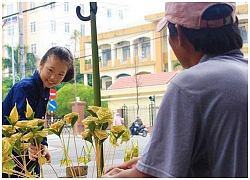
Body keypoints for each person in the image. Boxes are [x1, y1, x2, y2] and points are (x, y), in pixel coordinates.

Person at [102, 2, 247, 178]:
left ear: (178, 34)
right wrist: (153, 161)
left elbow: (150, 178)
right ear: (235, 24)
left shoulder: (189, 86)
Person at [2, 46, 75, 177]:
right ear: (41, 64)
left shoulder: (44, 89)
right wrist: (29, 144)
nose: (53, 77)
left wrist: (43, 145)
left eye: (60, 74)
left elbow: (39, 123)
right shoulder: (25, 87)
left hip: (28, 156)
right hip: (10, 155)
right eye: (50, 70)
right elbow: (21, 122)